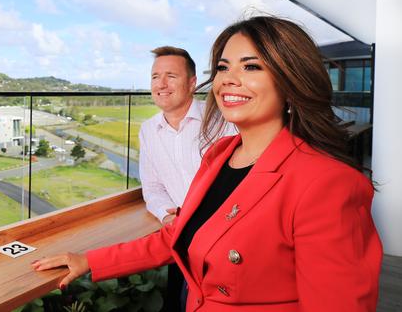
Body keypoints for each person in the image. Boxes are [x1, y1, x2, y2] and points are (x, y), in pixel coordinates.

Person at [32, 16, 383, 311]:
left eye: (251, 66)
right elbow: (180, 233)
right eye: (223, 67)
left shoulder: (326, 183)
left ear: (291, 83)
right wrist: (91, 261)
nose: (228, 79)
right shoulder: (220, 156)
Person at [141, 46, 233, 311]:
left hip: (225, 237)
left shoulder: (223, 119)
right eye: (155, 76)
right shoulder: (148, 130)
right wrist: (167, 216)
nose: (161, 84)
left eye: (171, 75)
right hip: (183, 235)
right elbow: (152, 187)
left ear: (193, 83)